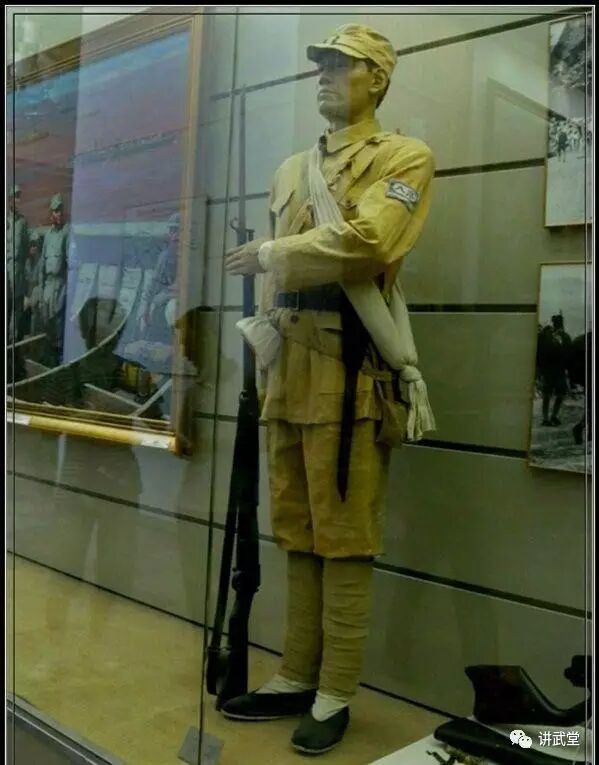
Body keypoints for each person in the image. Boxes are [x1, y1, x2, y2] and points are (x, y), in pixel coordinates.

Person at [223, 24, 434, 755]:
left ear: (377, 79)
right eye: (320, 66)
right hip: (287, 366)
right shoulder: (291, 169)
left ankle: (335, 688)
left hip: (347, 368)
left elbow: (368, 243)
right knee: (296, 527)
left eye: (341, 67)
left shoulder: (402, 158)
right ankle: (295, 674)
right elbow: (277, 277)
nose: (324, 77)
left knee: (344, 536)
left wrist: (272, 252)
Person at [139, 212, 179, 343]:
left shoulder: (192, 256)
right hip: (164, 300)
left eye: (179, 230)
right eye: (172, 230)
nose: (175, 235)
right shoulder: (165, 256)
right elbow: (154, 283)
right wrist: (146, 307)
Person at [39, 194, 69, 366]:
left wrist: (67, 290)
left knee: (58, 323)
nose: (58, 214)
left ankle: (59, 362)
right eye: (55, 211)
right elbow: (42, 262)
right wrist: (41, 287)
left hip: (60, 284)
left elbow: (70, 263)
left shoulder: (66, 233)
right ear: (51, 213)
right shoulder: (48, 235)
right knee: (46, 321)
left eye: (60, 210)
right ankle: (50, 359)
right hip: (48, 285)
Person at [536, 314, 571, 427]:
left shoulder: (565, 336)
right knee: (547, 394)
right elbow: (540, 352)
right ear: (554, 324)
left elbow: (569, 353)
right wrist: (540, 370)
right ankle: (546, 418)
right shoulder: (546, 335)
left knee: (560, 394)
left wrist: (567, 369)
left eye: (559, 323)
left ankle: (553, 416)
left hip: (560, 370)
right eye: (557, 323)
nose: (559, 326)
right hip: (549, 370)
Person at [7, 184, 29, 342]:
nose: (17, 200)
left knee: (17, 309)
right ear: (9, 199)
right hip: (6, 270)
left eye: (18, 197)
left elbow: (27, 248)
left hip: (19, 271)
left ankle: (13, 341)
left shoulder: (23, 223)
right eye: (14, 196)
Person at [22, 230, 43, 336]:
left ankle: (33, 335)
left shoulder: (41, 261)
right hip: (28, 291)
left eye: (35, 245)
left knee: (34, 309)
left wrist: (30, 298)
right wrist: (26, 296)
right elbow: (26, 280)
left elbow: (38, 281)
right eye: (31, 245)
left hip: (37, 290)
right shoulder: (27, 261)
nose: (33, 248)